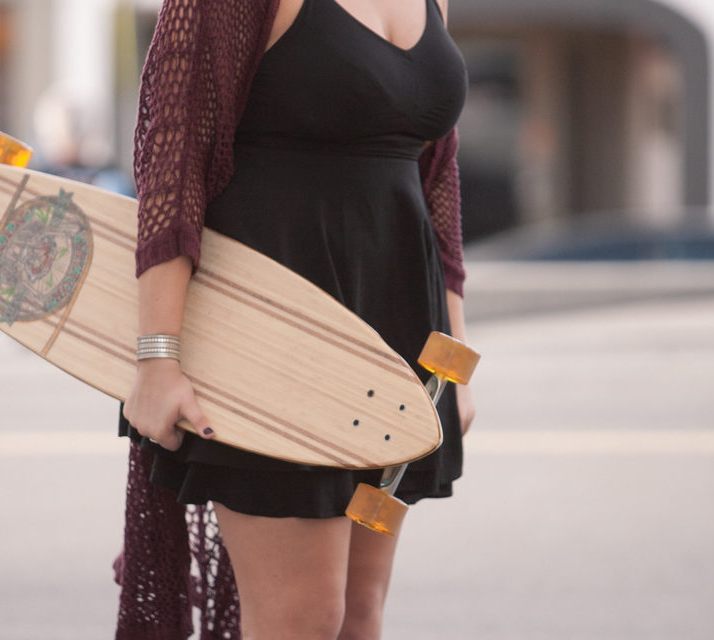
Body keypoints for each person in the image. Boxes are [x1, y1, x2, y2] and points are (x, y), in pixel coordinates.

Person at [115, 0, 475, 638]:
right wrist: (158, 358)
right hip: (271, 341)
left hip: (396, 348)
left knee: (360, 613)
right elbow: (172, 166)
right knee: (303, 619)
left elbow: (436, 182)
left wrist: (454, 366)